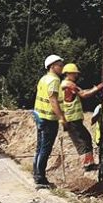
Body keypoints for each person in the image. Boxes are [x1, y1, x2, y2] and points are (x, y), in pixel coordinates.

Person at [60, 63, 103, 171]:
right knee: (82, 140)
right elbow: (84, 94)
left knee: (86, 138)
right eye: (74, 74)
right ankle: (88, 164)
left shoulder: (67, 84)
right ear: (68, 73)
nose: (76, 76)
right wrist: (98, 88)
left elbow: (83, 91)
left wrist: (94, 88)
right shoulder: (69, 85)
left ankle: (89, 163)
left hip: (73, 119)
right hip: (72, 119)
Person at [33, 54, 65, 189]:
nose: (62, 68)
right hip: (48, 119)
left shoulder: (44, 79)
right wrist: (62, 118)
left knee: (40, 147)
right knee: (45, 148)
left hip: (39, 116)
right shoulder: (54, 80)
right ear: (52, 66)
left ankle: (36, 173)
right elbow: (53, 100)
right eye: (60, 65)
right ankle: (40, 178)